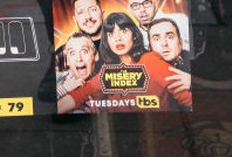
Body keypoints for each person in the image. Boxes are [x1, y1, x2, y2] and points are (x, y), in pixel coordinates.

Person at [57, 12, 192, 113]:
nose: (117, 38)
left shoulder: (151, 61)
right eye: (111, 34)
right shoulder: (107, 72)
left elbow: (187, 98)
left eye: (123, 31)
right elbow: (78, 96)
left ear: (133, 34)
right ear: (107, 41)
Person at [126, 0, 191, 53]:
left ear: (155, 4)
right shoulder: (133, 37)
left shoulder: (180, 20)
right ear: (130, 9)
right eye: (135, 5)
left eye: (146, 3)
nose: (142, 9)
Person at [55, 32, 100, 112]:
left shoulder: (105, 83)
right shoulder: (56, 79)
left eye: (84, 51)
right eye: (72, 53)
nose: (79, 58)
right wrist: (64, 88)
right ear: (68, 60)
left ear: (96, 56)